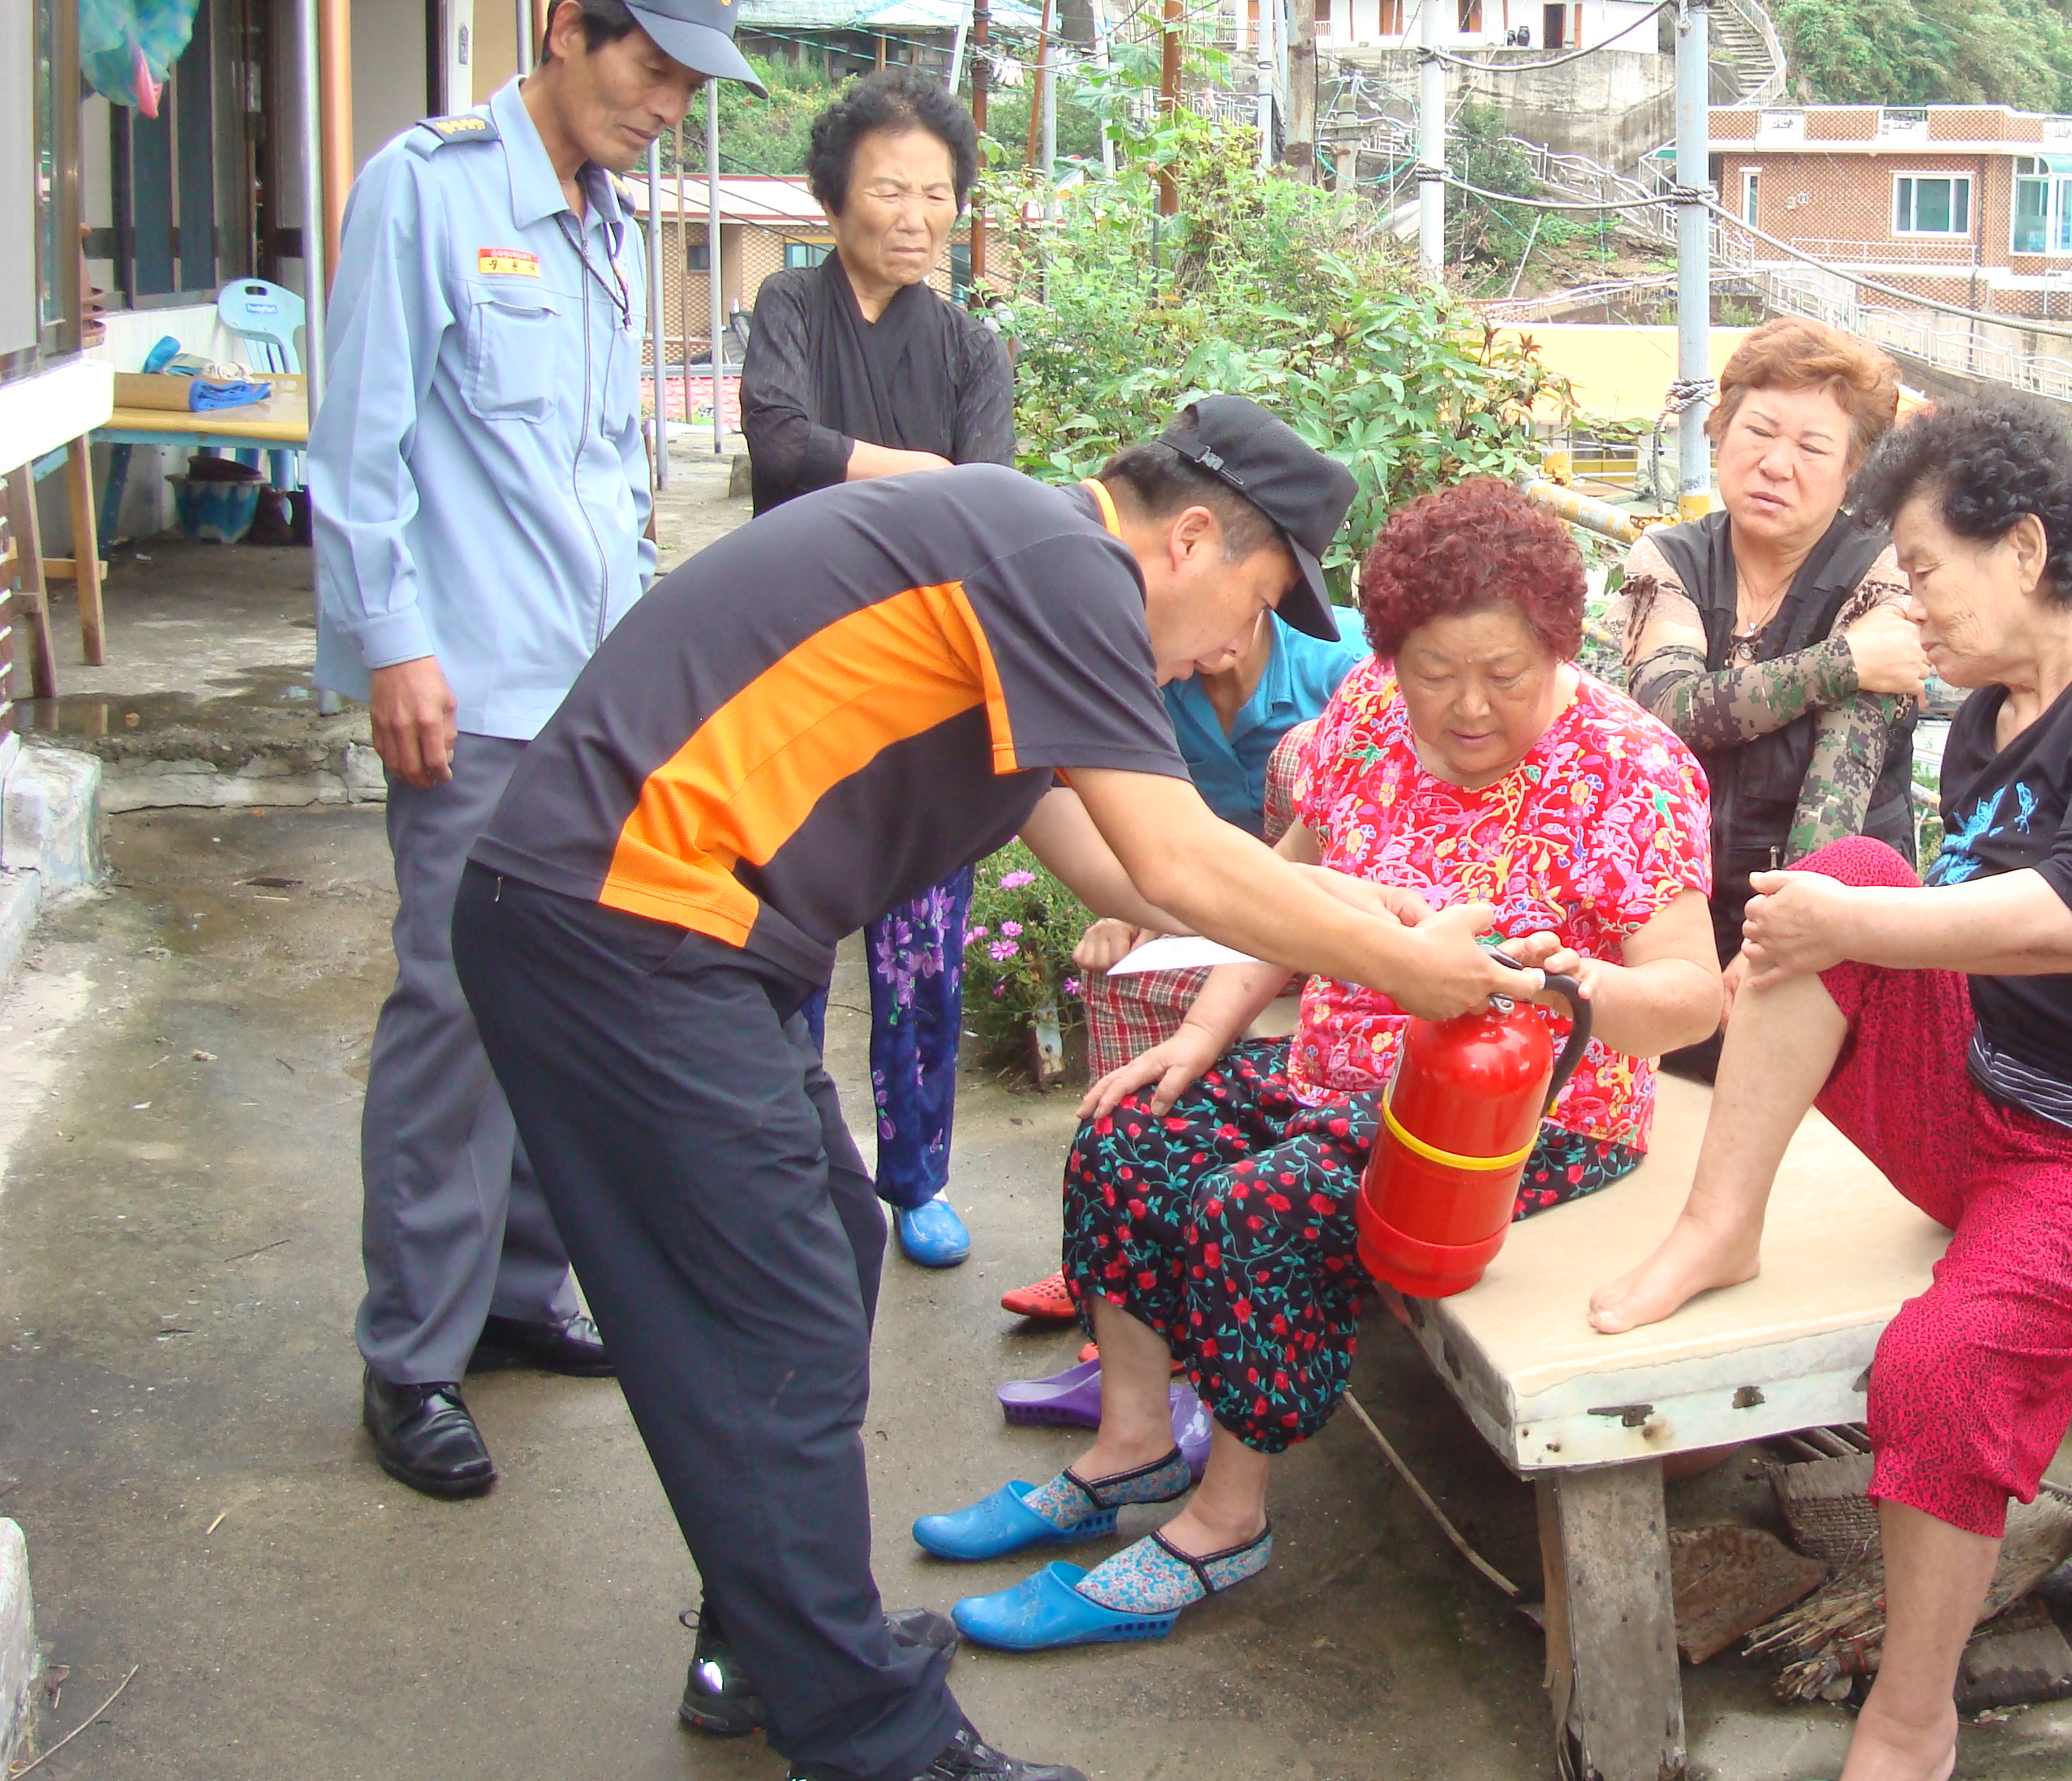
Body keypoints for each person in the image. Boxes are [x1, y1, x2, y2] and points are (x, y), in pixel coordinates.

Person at [448, 397, 1543, 1781]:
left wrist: (1384, 911)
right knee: (773, 1310)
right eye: (1254, 604)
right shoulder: (1060, 562)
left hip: (657, 936)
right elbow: (1174, 860)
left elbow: (1124, 864)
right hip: (626, 930)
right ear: (1186, 540)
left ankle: (774, 1646)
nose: (1232, 650)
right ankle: (871, 1740)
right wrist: (1404, 970)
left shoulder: (1014, 575)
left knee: (825, 1249)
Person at [1588, 396, 2072, 1781]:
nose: (1907, 601)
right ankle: (1720, 1225)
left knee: (1940, 1365)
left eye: (1921, 566)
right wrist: (1843, 918)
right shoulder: (1984, 723)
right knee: (1846, 874)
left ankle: (1912, 1715)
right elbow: (1919, 923)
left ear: (2023, 548)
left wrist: (1849, 926)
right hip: (1993, 1102)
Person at [919, 478, 1722, 1650]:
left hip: (1530, 1118)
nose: (1466, 705)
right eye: (1433, 671)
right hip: (1337, 1077)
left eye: (1504, 672)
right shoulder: (1367, 714)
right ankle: (1131, 1445)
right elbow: (1278, 894)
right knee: (1128, 1131)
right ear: (1388, 657)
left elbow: (1692, 998)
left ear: (1559, 645)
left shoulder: (1627, 767)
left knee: (1262, 1203)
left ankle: (1225, 1520)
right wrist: (1200, 1037)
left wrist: (1578, 986)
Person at [310, 0, 762, 1502]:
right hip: (468, 686)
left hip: (588, 697)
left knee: (562, 1002)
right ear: (569, 29)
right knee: (451, 1011)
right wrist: (390, 644)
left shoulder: (606, 225)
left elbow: (606, 468)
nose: (667, 105)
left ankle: (513, 1292)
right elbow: (359, 447)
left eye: (688, 86)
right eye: (652, 68)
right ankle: (411, 1357)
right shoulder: (427, 190)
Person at [741, 68, 1015, 1271]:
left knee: (921, 953)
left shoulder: (971, 347)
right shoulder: (789, 304)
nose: (916, 216)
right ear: (834, 196)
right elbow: (778, 442)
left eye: (937, 193)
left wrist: (921, 486)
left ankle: (917, 1180)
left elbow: (989, 505)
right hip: (793, 667)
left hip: (923, 685)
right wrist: (926, 476)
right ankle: (793, 1170)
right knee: (786, 937)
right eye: (890, 189)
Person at [996, 600, 1371, 1331]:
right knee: (1121, 971)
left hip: (1342, 919)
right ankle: (1119, 1253)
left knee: (1298, 750)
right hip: (1231, 914)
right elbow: (1141, 828)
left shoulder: (1343, 664)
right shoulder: (1161, 681)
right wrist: (1134, 903)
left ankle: (1197, 1265)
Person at [1602, 316, 1924, 1073]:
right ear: (1720, 434)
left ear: (1853, 470)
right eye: (1758, 432)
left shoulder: (1883, 573)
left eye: (1812, 448)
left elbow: (1837, 791)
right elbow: (1670, 710)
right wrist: (1843, 660)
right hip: (1678, 918)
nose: (1776, 465)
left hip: (1824, 925)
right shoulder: (1671, 557)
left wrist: (1771, 946)